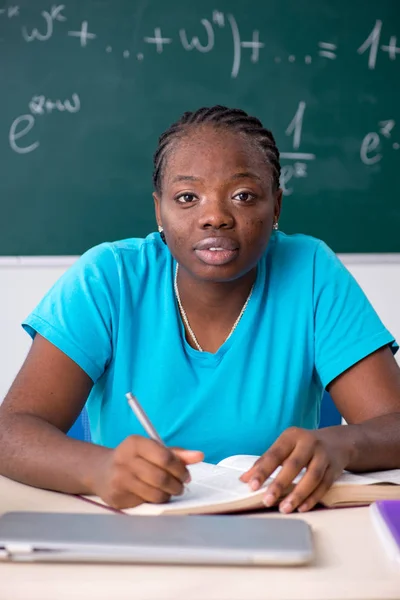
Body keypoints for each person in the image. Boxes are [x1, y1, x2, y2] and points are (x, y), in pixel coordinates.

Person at [1, 106, 400, 515]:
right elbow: (11, 431)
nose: (215, 217)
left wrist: (342, 443)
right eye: (187, 197)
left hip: (280, 522)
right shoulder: (108, 278)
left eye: (243, 196)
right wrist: (97, 469)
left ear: (276, 207)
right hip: (135, 526)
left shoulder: (311, 270)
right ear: (159, 210)